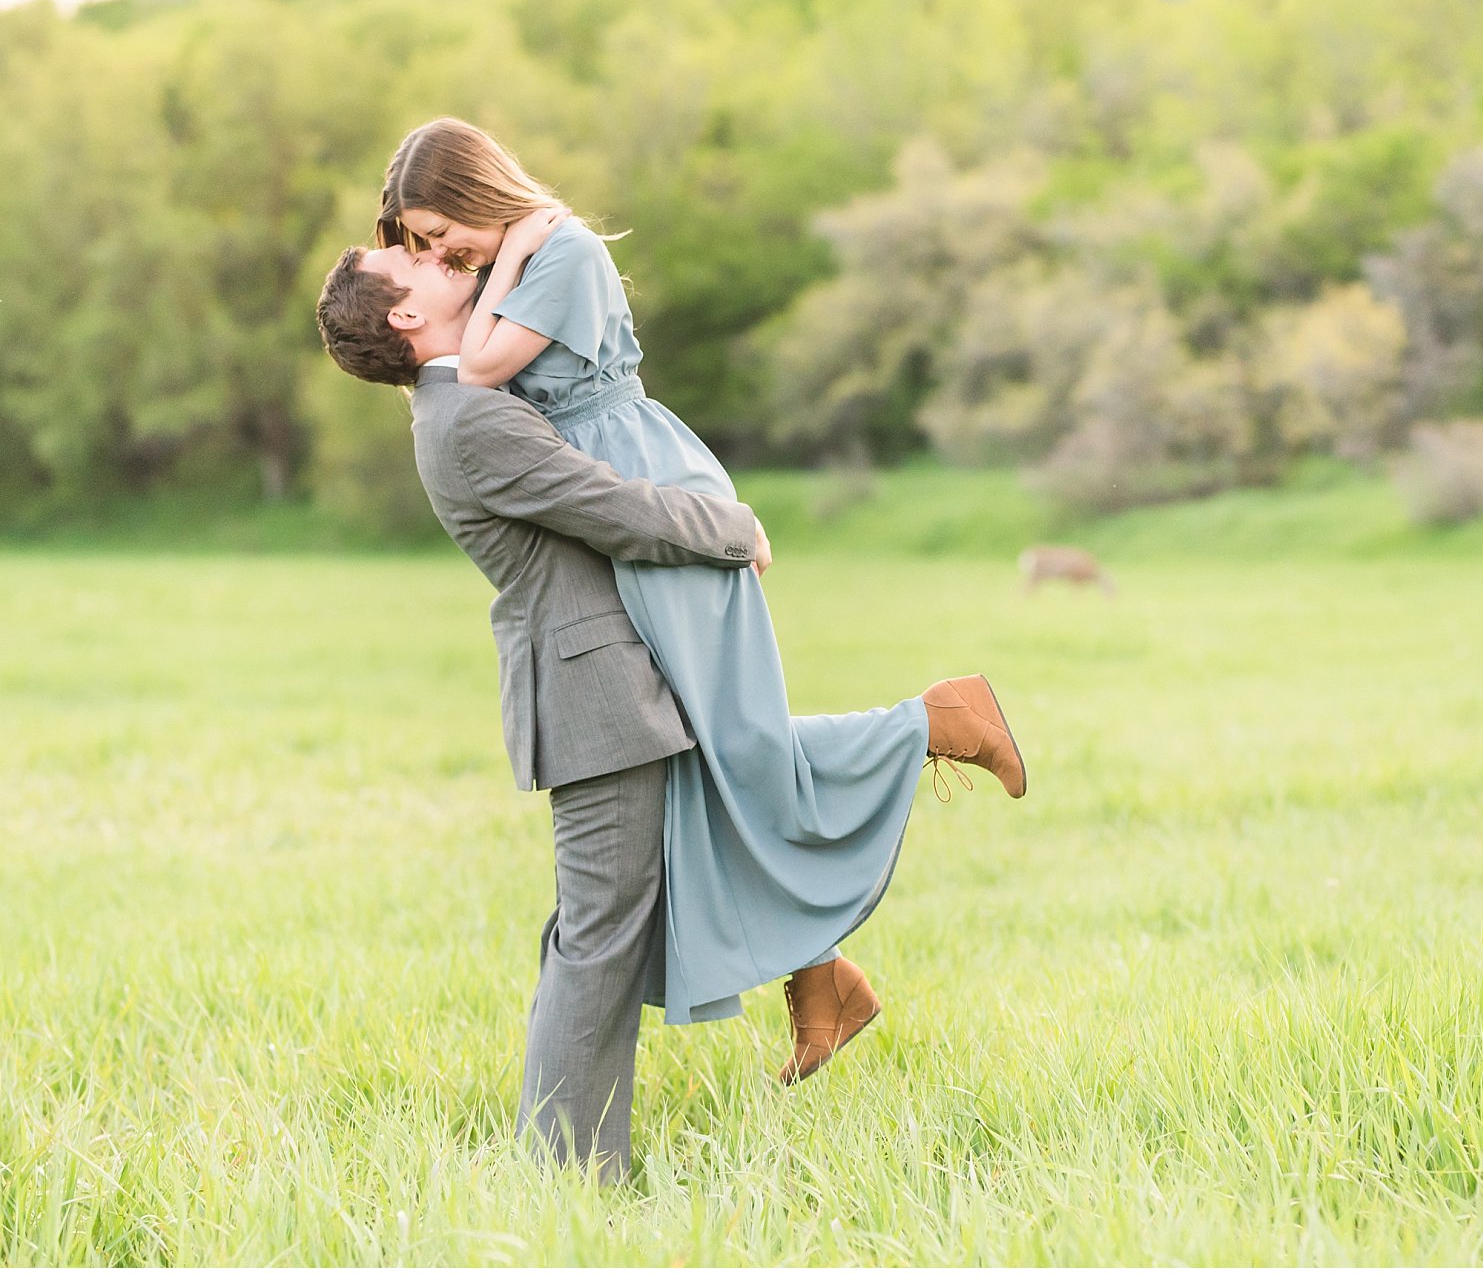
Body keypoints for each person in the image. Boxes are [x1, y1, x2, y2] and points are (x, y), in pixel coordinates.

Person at [315, 240, 1023, 1175]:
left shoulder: (472, 398)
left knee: (631, 893)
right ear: (406, 318)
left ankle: (586, 1154)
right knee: (600, 934)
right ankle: (570, 1170)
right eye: (418, 262)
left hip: (605, 677)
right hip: (594, 693)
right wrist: (738, 528)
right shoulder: (470, 419)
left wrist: (524, 236)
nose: (443, 262)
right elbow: (614, 505)